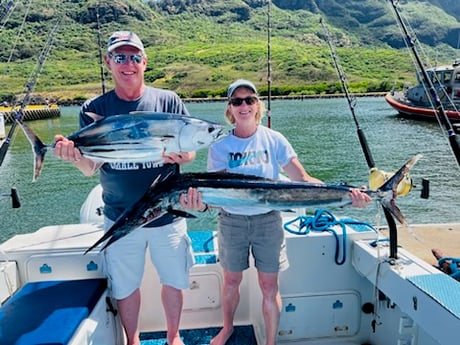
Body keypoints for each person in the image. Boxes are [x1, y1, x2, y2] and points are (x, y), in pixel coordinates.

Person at [180, 79, 371, 345]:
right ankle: (227, 329)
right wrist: (197, 203)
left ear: (258, 105)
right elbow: (216, 192)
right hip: (232, 222)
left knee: (269, 287)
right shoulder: (219, 146)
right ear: (230, 109)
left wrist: (349, 195)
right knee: (231, 282)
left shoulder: (274, 139)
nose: (243, 105)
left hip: (268, 221)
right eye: (237, 101)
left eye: (249, 99)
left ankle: (270, 342)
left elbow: (302, 179)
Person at [53, 31, 195, 345]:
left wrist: (181, 154)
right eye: (120, 57)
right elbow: (91, 166)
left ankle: (173, 338)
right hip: (119, 216)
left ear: (144, 62)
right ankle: (133, 341)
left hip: (167, 213)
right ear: (108, 63)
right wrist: (72, 156)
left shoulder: (168, 100)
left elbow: (190, 151)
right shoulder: (94, 107)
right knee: (126, 286)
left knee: (174, 280)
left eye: (133, 57)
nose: (127, 64)